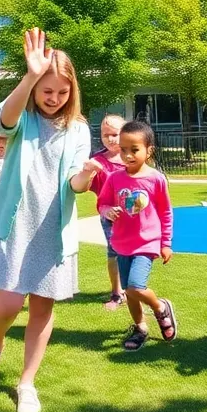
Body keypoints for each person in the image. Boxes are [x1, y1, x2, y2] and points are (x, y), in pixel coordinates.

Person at [0, 28, 91, 412]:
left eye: (62, 92)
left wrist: (85, 177)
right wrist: (30, 75)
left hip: (53, 231)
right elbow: (3, 120)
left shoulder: (79, 129)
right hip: (16, 225)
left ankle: (27, 382)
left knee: (42, 308)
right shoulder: (23, 117)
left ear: (72, 91)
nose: (54, 98)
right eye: (47, 90)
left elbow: (74, 182)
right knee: (7, 303)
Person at [74, 121, 176, 352]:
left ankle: (160, 308)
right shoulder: (114, 178)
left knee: (135, 286)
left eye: (134, 149)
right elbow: (102, 203)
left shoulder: (156, 179)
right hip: (121, 244)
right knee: (129, 292)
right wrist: (107, 211)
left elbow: (166, 212)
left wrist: (166, 243)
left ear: (149, 150)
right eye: (123, 149)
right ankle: (140, 328)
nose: (128, 155)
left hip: (146, 243)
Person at [92, 114, 127, 310]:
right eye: (105, 135)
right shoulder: (98, 161)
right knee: (114, 252)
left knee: (135, 251)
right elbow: (92, 188)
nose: (110, 139)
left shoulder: (133, 157)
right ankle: (117, 291)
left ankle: (134, 288)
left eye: (115, 134)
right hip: (110, 216)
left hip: (134, 216)